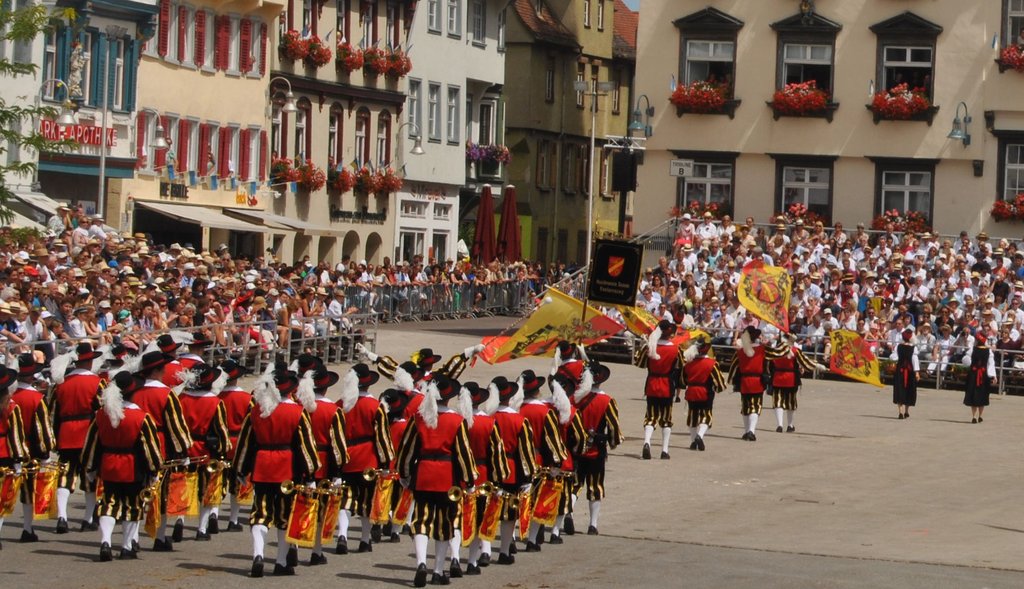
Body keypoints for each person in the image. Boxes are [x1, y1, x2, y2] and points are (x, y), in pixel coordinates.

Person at [234, 365, 319, 577]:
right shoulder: (298, 412)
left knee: (260, 513)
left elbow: (244, 443)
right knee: (283, 516)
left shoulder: (256, 411)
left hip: (262, 466)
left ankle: (258, 555)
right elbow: (306, 446)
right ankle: (281, 562)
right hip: (286, 468)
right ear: (290, 390)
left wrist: (240, 469)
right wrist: (310, 475)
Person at [395, 375, 477, 587]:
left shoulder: (419, 418)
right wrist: (469, 480)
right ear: (449, 398)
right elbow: (464, 455)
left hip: (423, 474)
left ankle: (421, 563)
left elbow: (406, 450)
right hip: (447, 477)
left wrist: (404, 474)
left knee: (421, 520)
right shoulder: (457, 421)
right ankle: (438, 570)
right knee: (444, 524)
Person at [81, 372, 163, 561]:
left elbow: (92, 443)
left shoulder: (101, 415)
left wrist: (90, 468)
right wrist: (154, 470)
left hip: (108, 464)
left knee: (108, 503)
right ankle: (126, 547)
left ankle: (106, 541)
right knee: (132, 506)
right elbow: (150, 447)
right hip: (132, 467)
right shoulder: (141, 417)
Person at [132, 350, 193, 551]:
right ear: (158, 370)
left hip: (136, 444)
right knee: (162, 491)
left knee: (139, 491)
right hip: (159, 444)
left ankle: (132, 538)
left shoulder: (135, 392)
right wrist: (183, 451)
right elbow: (175, 425)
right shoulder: (167, 394)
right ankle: (159, 537)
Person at [334, 363, 394, 555]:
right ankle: (364, 539)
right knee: (367, 501)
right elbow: (382, 437)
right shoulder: (375, 406)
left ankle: (342, 534)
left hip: (347, 457)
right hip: (368, 458)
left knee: (346, 499)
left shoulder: (341, 404)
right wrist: (385, 463)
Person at [49, 342, 104, 533]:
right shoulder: (97, 382)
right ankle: (88, 519)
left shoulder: (61, 384)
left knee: (65, 473)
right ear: (89, 362)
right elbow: (101, 411)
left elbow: (53, 413)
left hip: (65, 432)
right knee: (89, 475)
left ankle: (62, 517)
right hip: (88, 433)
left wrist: (55, 436)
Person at [176, 364, 231, 540]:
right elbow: (221, 429)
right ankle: (201, 529)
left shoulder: (181, 398)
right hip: (206, 450)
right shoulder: (215, 402)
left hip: (185, 448)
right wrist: (224, 449)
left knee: (184, 487)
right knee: (206, 489)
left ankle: (179, 521)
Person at [301, 362, 348, 564]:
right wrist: (338, 471)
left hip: (300, 462)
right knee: (320, 510)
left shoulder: (299, 406)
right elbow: (338, 444)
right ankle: (316, 551)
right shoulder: (333, 410)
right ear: (326, 386)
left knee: (299, 506)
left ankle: (292, 547)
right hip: (324, 463)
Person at [569, 361, 622, 535]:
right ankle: (593, 524)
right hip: (596, 448)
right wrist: (613, 441)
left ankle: (568, 511)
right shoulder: (607, 400)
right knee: (595, 486)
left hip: (576, 447)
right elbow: (613, 427)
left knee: (575, 485)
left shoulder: (575, 398)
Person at [461, 381, 509, 573]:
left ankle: (456, 557)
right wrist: (499, 478)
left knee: (461, 517)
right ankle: (483, 552)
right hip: (483, 472)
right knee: (482, 515)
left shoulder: (460, 421)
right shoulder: (489, 423)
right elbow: (497, 453)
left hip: (461, 475)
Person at [517, 369, 568, 550]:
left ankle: (515, 537)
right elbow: (552, 439)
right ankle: (531, 539)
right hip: (537, 459)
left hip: (517, 459)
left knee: (520, 498)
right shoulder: (544, 412)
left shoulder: (517, 409)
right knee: (537, 499)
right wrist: (557, 462)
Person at [490, 375, 537, 565]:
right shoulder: (519, 420)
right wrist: (528, 475)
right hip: (511, 470)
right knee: (509, 514)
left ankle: (484, 550)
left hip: (488, 469)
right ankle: (504, 550)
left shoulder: (488, 417)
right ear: (510, 397)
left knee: (489, 510)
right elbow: (525, 450)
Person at [10, 353, 55, 542]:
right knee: (28, 491)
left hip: (7, 447)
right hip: (29, 451)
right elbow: (42, 428)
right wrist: (46, 453)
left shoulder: (8, 396)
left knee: (6, 491)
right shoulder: (36, 398)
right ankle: (27, 528)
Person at [728, 326, 786, 441]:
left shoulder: (740, 352)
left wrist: (730, 381)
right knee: (756, 406)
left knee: (745, 406)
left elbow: (733, 367)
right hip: (757, 381)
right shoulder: (762, 349)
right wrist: (786, 343)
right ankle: (751, 431)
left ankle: (746, 431)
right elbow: (778, 353)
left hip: (744, 381)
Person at [217, 358, 252, 531]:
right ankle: (233, 519)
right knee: (237, 482)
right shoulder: (246, 398)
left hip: (220, 442)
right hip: (239, 443)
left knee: (217, 481)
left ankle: (212, 516)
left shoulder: (216, 397)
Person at [639, 320, 681, 459]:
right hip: (667, 385)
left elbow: (639, 363)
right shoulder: (675, 349)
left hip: (652, 383)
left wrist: (643, 346)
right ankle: (664, 450)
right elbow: (681, 365)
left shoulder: (651, 346)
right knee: (666, 418)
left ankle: (646, 442)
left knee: (651, 416)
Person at [0, 367, 28, 550]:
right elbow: (16, 435)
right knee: (2, 498)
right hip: (4, 455)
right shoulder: (11, 407)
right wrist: (19, 460)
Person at [768, 334, 818, 433]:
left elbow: (769, 365)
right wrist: (816, 365)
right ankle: (790, 425)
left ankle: (779, 425)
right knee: (791, 402)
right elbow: (805, 363)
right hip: (791, 378)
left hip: (777, 377)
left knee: (778, 402)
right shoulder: (795, 350)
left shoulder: (775, 350)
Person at [681, 336, 724, 451]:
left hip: (691, 392)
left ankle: (693, 441)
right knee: (706, 416)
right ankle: (699, 436)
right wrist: (719, 388)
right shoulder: (712, 363)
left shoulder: (689, 364)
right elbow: (718, 381)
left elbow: (683, 380)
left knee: (692, 417)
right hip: (705, 392)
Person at [964, 333, 996, 423]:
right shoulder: (988, 351)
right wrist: (993, 376)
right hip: (983, 375)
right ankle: (979, 416)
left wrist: (970, 364)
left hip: (974, 375)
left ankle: (974, 416)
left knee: (974, 394)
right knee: (982, 395)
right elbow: (991, 364)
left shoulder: (972, 350)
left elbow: (966, 360)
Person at [892, 328, 919, 420]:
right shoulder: (913, 348)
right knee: (908, 389)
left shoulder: (898, 347)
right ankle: (906, 411)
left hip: (900, 370)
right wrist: (917, 372)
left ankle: (900, 412)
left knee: (900, 389)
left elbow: (894, 357)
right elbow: (915, 360)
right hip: (909, 371)